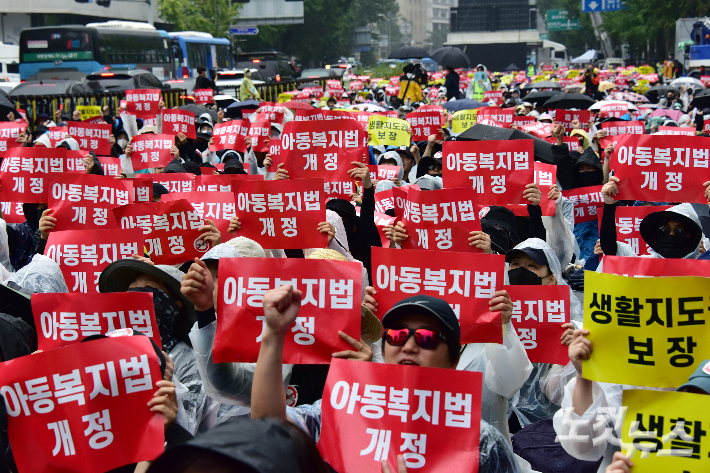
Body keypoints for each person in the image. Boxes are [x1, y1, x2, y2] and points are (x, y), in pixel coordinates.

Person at [249, 287, 521, 472]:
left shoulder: (482, 444)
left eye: (427, 338)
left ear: (453, 361)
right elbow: (269, 428)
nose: (409, 346)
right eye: (397, 335)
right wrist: (273, 335)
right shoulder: (343, 411)